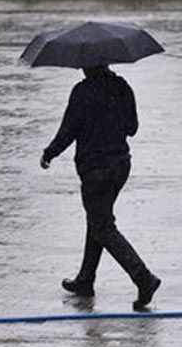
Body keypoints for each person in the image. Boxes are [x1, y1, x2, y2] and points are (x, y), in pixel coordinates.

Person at [40, 65, 161, 311]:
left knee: (103, 226)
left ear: (87, 66)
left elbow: (68, 131)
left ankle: (143, 278)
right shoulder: (122, 87)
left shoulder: (81, 92)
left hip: (95, 170)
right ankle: (86, 279)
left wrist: (49, 154)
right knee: (97, 219)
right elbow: (132, 128)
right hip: (120, 166)